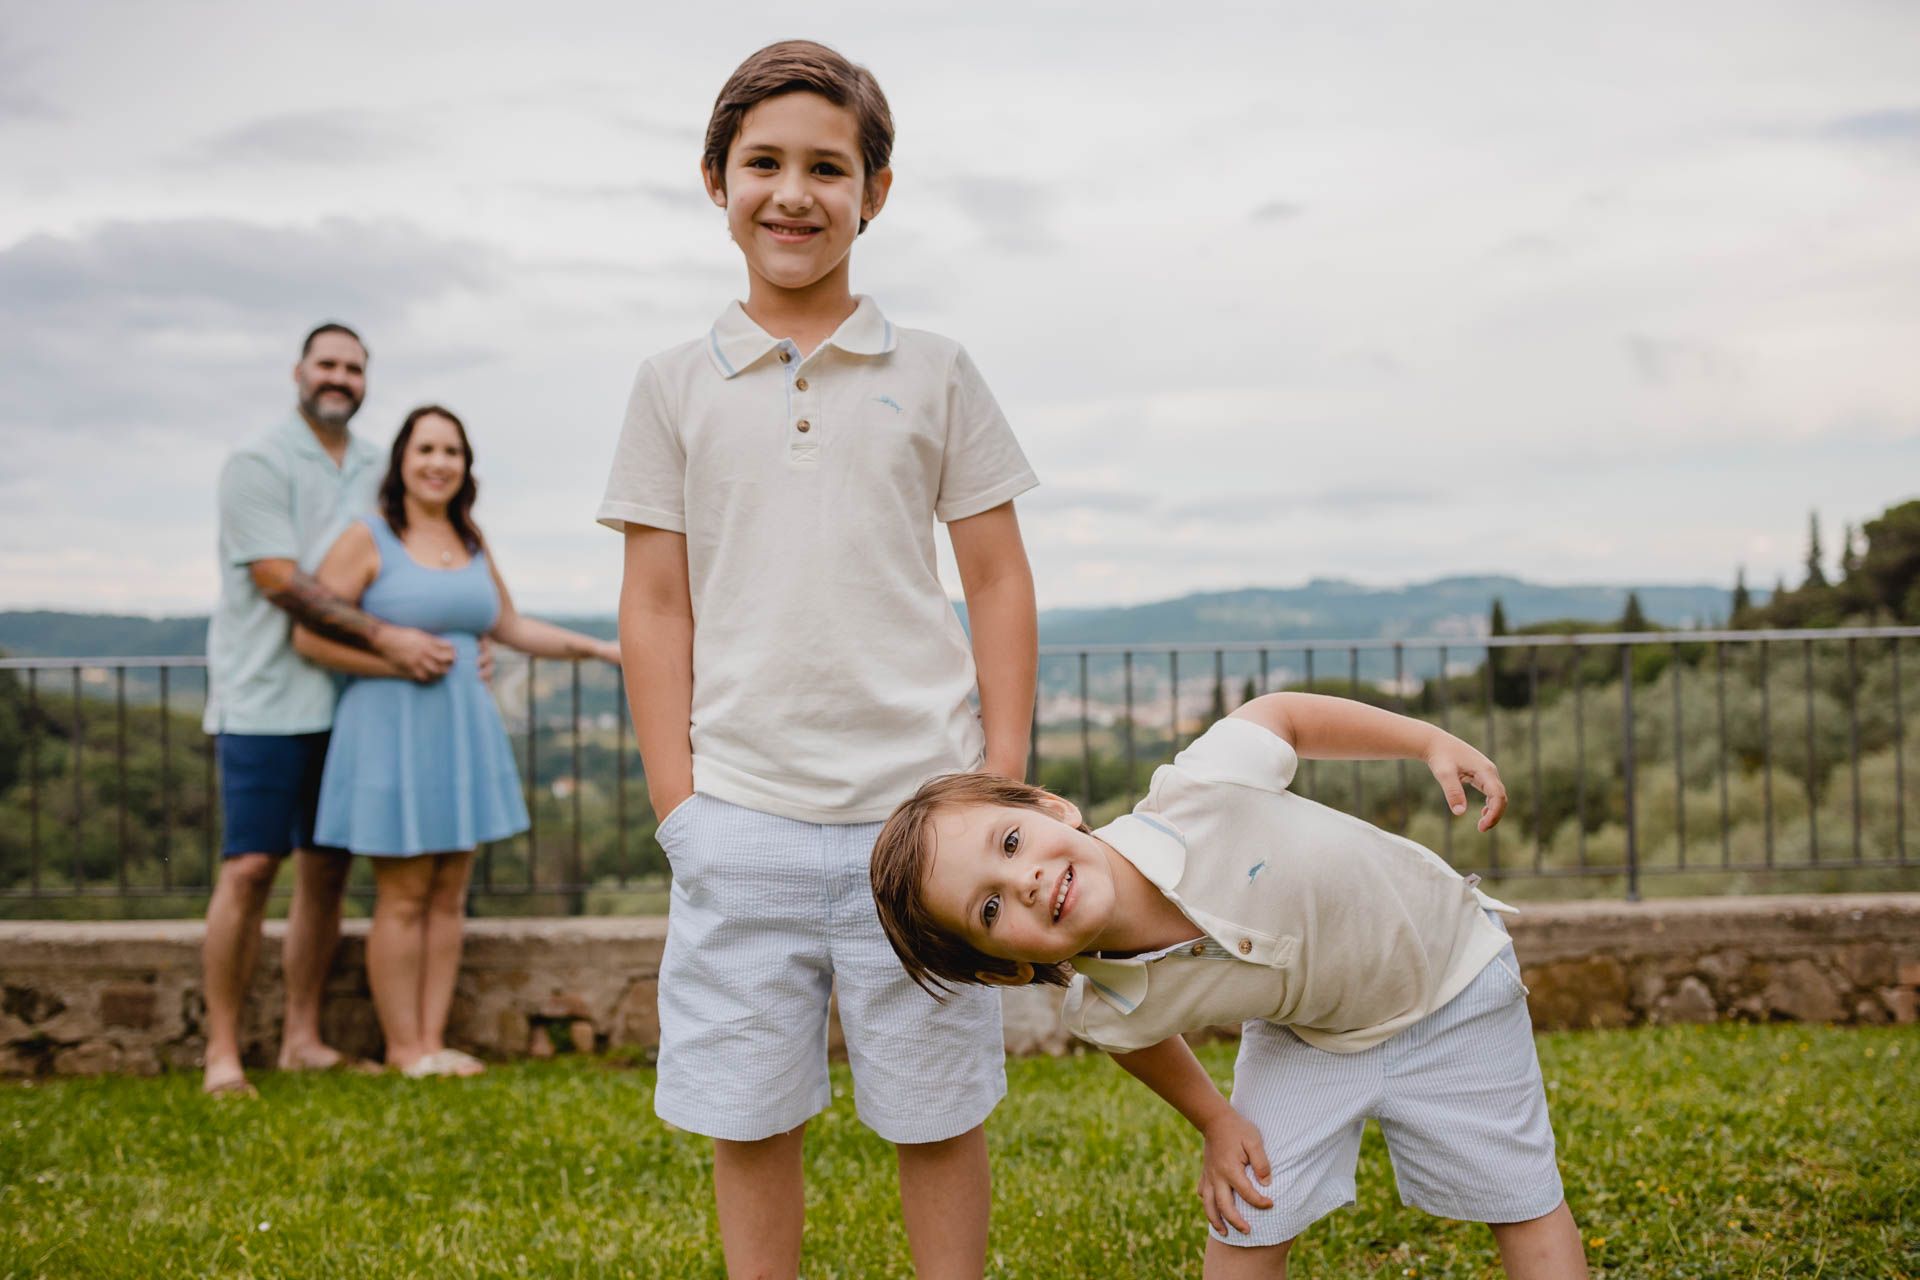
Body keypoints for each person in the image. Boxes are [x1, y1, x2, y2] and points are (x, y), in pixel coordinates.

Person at [598, 40, 1039, 1280]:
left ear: (875, 193)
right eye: (766, 164)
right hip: (740, 814)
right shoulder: (671, 384)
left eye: (827, 168)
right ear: (715, 180)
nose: (794, 193)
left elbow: (998, 577)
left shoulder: (938, 369)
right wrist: (679, 807)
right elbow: (654, 603)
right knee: (750, 1111)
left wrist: (993, 779)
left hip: (923, 816)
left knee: (938, 1110)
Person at [870, 692, 1591, 1280]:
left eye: (1010, 842)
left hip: (1456, 977)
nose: (1021, 881)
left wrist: (1426, 740)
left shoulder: (1201, 787)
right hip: (1314, 1038)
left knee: (1521, 1198)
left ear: (1049, 806)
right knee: (1245, 1216)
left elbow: (1284, 714)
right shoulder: (1107, 1006)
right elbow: (1139, 1039)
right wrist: (1216, 1121)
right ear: (1006, 968)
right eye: (989, 908)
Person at [295, 405, 620, 1078]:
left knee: (449, 894)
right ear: (402, 462)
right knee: (405, 895)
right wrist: (395, 658)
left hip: (462, 733)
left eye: (452, 451)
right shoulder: (369, 537)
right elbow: (309, 636)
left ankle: (433, 1041)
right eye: (426, 450)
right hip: (390, 733)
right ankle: (404, 1048)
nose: (439, 462)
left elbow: (509, 625)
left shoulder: (470, 539)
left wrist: (600, 649)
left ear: (466, 467)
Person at [201, 323, 458, 1098]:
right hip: (265, 698)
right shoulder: (257, 462)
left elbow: (415, 564)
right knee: (249, 869)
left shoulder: (384, 465)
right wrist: (389, 635)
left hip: (355, 701)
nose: (339, 378)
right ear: (299, 372)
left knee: (326, 874)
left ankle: (301, 1038)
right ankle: (221, 1053)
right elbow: (281, 581)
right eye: (327, 365)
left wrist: (457, 641)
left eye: (354, 368)